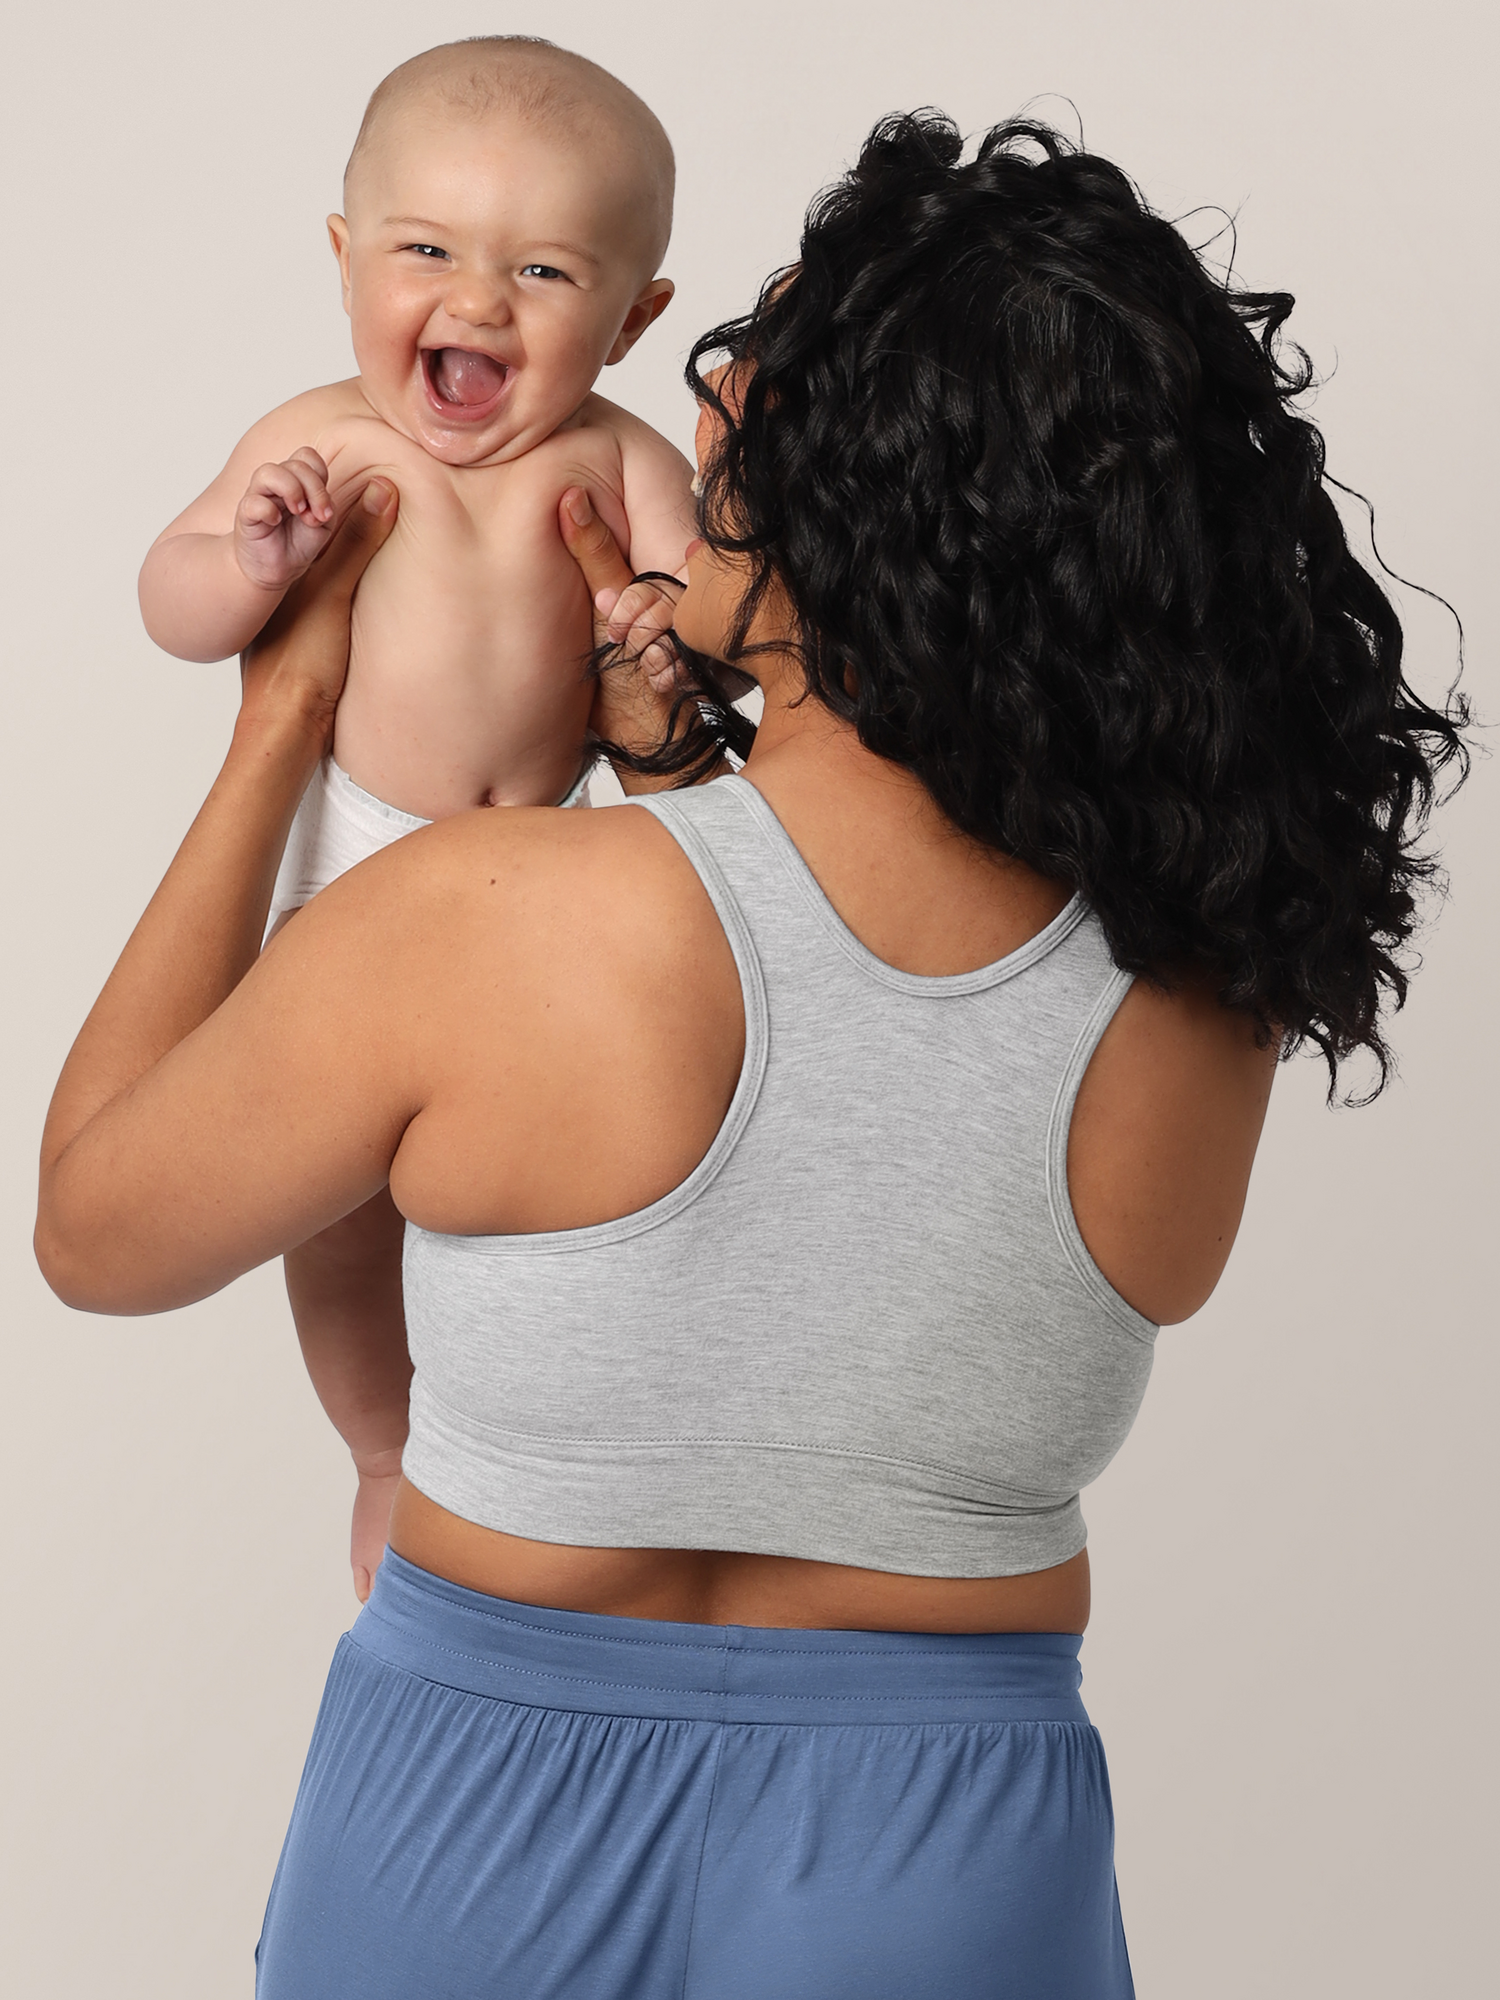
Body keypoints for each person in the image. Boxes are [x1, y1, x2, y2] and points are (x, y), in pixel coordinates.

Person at [37, 113, 1464, 1998]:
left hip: (470, 1822)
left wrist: (284, 717)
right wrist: (686, 764)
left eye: (731, 421)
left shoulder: (494, 919)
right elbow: (853, 1079)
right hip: (951, 1840)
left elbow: (98, 1229)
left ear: (859, 512)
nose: (685, 451)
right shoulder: (1199, 986)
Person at [137, 35, 694, 1596]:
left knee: (547, 1197)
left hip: (551, 884)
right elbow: (169, 603)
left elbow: (718, 612)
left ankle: (528, 1472)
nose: (478, 301)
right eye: (427, 251)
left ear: (636, 317)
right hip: (353, 884)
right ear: (342, 260)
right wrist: (246, 565)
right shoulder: (321, 442)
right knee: (338, 1218)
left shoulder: (615, 457)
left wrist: (661, 623)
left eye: (542, 269)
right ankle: (385, 1455)